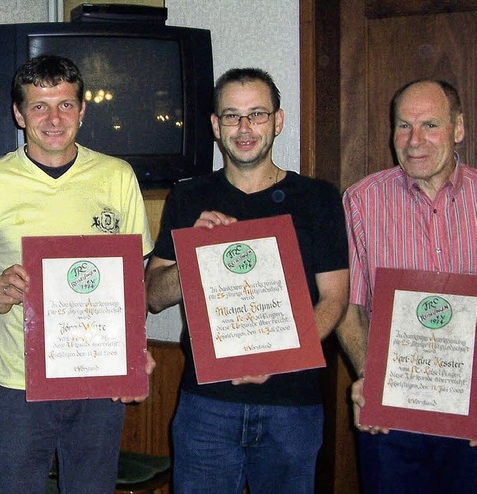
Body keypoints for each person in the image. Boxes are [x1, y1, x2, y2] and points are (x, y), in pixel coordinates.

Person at [145, 67, 349, 493]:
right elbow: (153, 296)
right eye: (232, 116)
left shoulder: (318, 199)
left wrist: (276, 360)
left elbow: (334, 299)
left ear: (277, 120)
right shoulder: (188, 196)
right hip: (206, 403)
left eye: (256, 115)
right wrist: (191, 257)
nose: (244, 128)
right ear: (216, 126)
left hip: (292, 404)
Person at [0, 54, 154, 493]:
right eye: (38, 106)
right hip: (16, 385)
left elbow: (132, 282)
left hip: (98, 379)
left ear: (82, 110)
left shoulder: (117, 177)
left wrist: (135, 354)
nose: (53, 118)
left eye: (65, 104)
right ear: (18, 113)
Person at [337, 79, 477, 493]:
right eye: (403, 126)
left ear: (458, 129)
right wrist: (369, 375)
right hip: (392, 417)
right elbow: (349, 305)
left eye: (430, 125)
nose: (414, 141)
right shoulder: (362, 200)